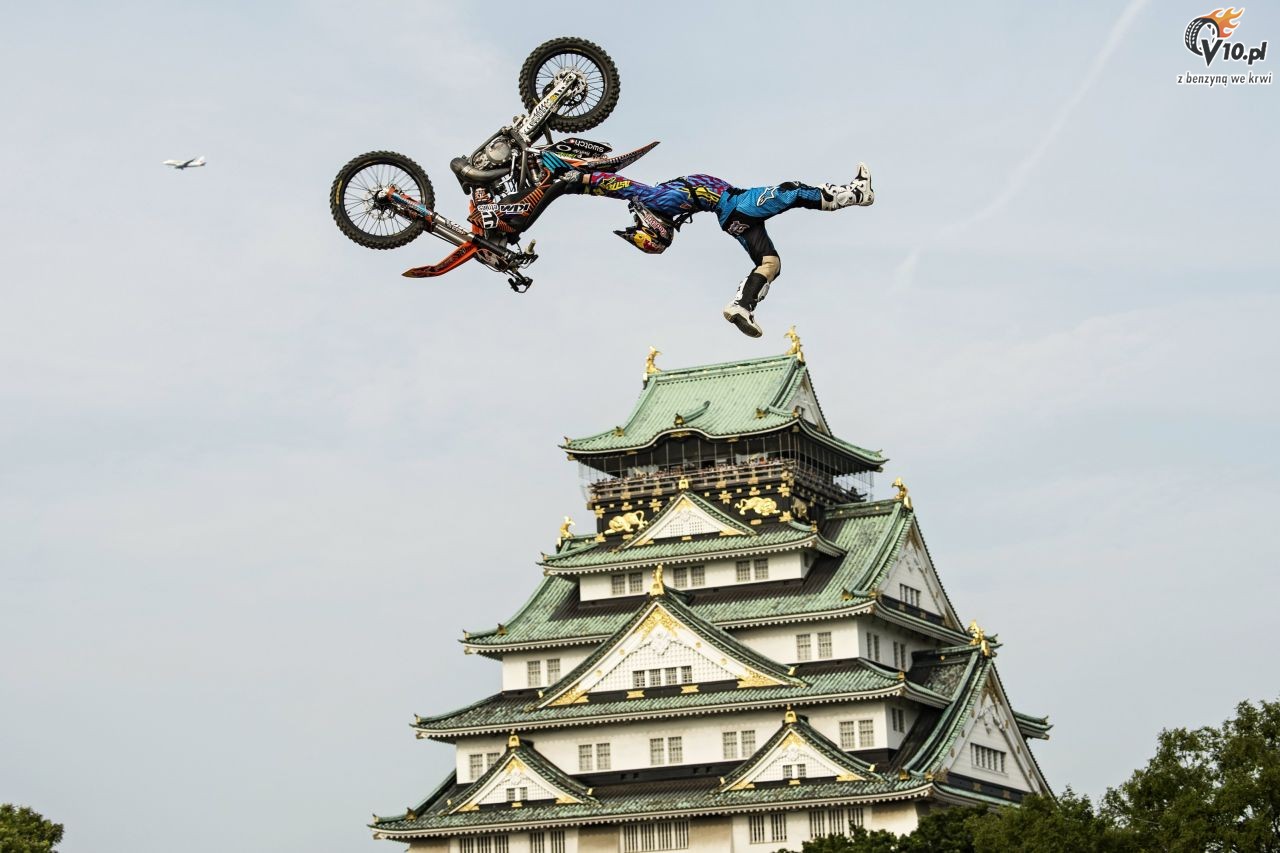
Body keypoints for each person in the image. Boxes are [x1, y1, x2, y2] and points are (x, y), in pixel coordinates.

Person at [555, 160, 874, 337]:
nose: (638, 216)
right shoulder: (657, 200)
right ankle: (856, 194)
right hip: (737, 203)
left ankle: (743, 305)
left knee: (770, 263)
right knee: (791, 192)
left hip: (730, 219)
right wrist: (579, 179)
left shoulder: (668, 210)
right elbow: (621, 187)